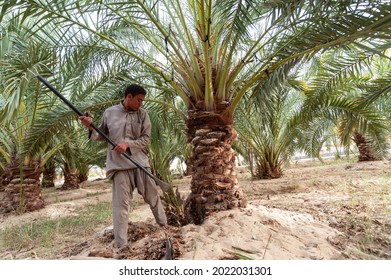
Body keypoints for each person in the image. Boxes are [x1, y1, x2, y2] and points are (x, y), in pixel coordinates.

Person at [79, 84, 167, 250]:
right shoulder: (110, 113)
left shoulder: (143, 115)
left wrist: (128, 144)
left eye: (142, 101)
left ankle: (164, 228)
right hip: (119, 167)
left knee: (153, 198)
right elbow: (101, 135)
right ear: (129, 97)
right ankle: (121, 246)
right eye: (139, 100)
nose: (141, 104)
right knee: (121, 206)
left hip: (140, 163)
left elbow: (146, 138)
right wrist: (90, 127)